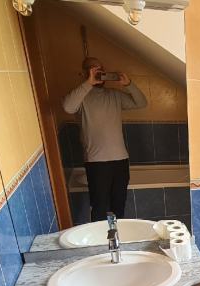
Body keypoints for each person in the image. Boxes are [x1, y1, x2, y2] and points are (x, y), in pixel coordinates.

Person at [63, 57, 148, 220]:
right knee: (99, 207)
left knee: (119, 205)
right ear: (85, 73)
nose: (98, 72)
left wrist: (129, 84)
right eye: (93, 69)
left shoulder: (114, 95)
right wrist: (89, 83)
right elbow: (67, 107)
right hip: (96, 162)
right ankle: (100, 237)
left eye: (100, 69)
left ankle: (118, 235)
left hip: (121, 160)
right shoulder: (81, 96)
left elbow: (141, 103)